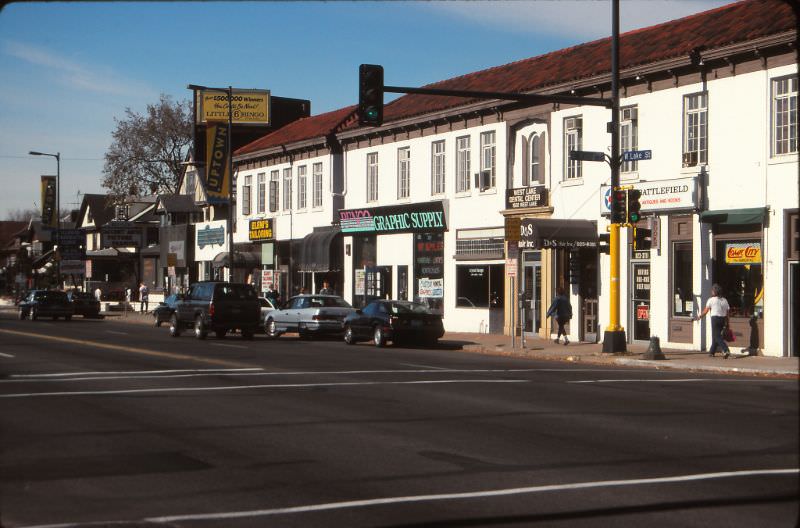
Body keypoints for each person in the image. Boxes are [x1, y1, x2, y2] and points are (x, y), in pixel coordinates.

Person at [694, 283, 731, 358]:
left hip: (715, 319)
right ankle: (712, 352)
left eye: (712, 290)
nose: (711, 291)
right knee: (716, 335)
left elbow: (706, 310)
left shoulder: (711, 300)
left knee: (717, 336)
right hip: (723, 319)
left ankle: (726, 350)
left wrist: (699, 316)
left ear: (714, 292)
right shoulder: (725, 300)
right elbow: (727, 313)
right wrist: (727, 323)